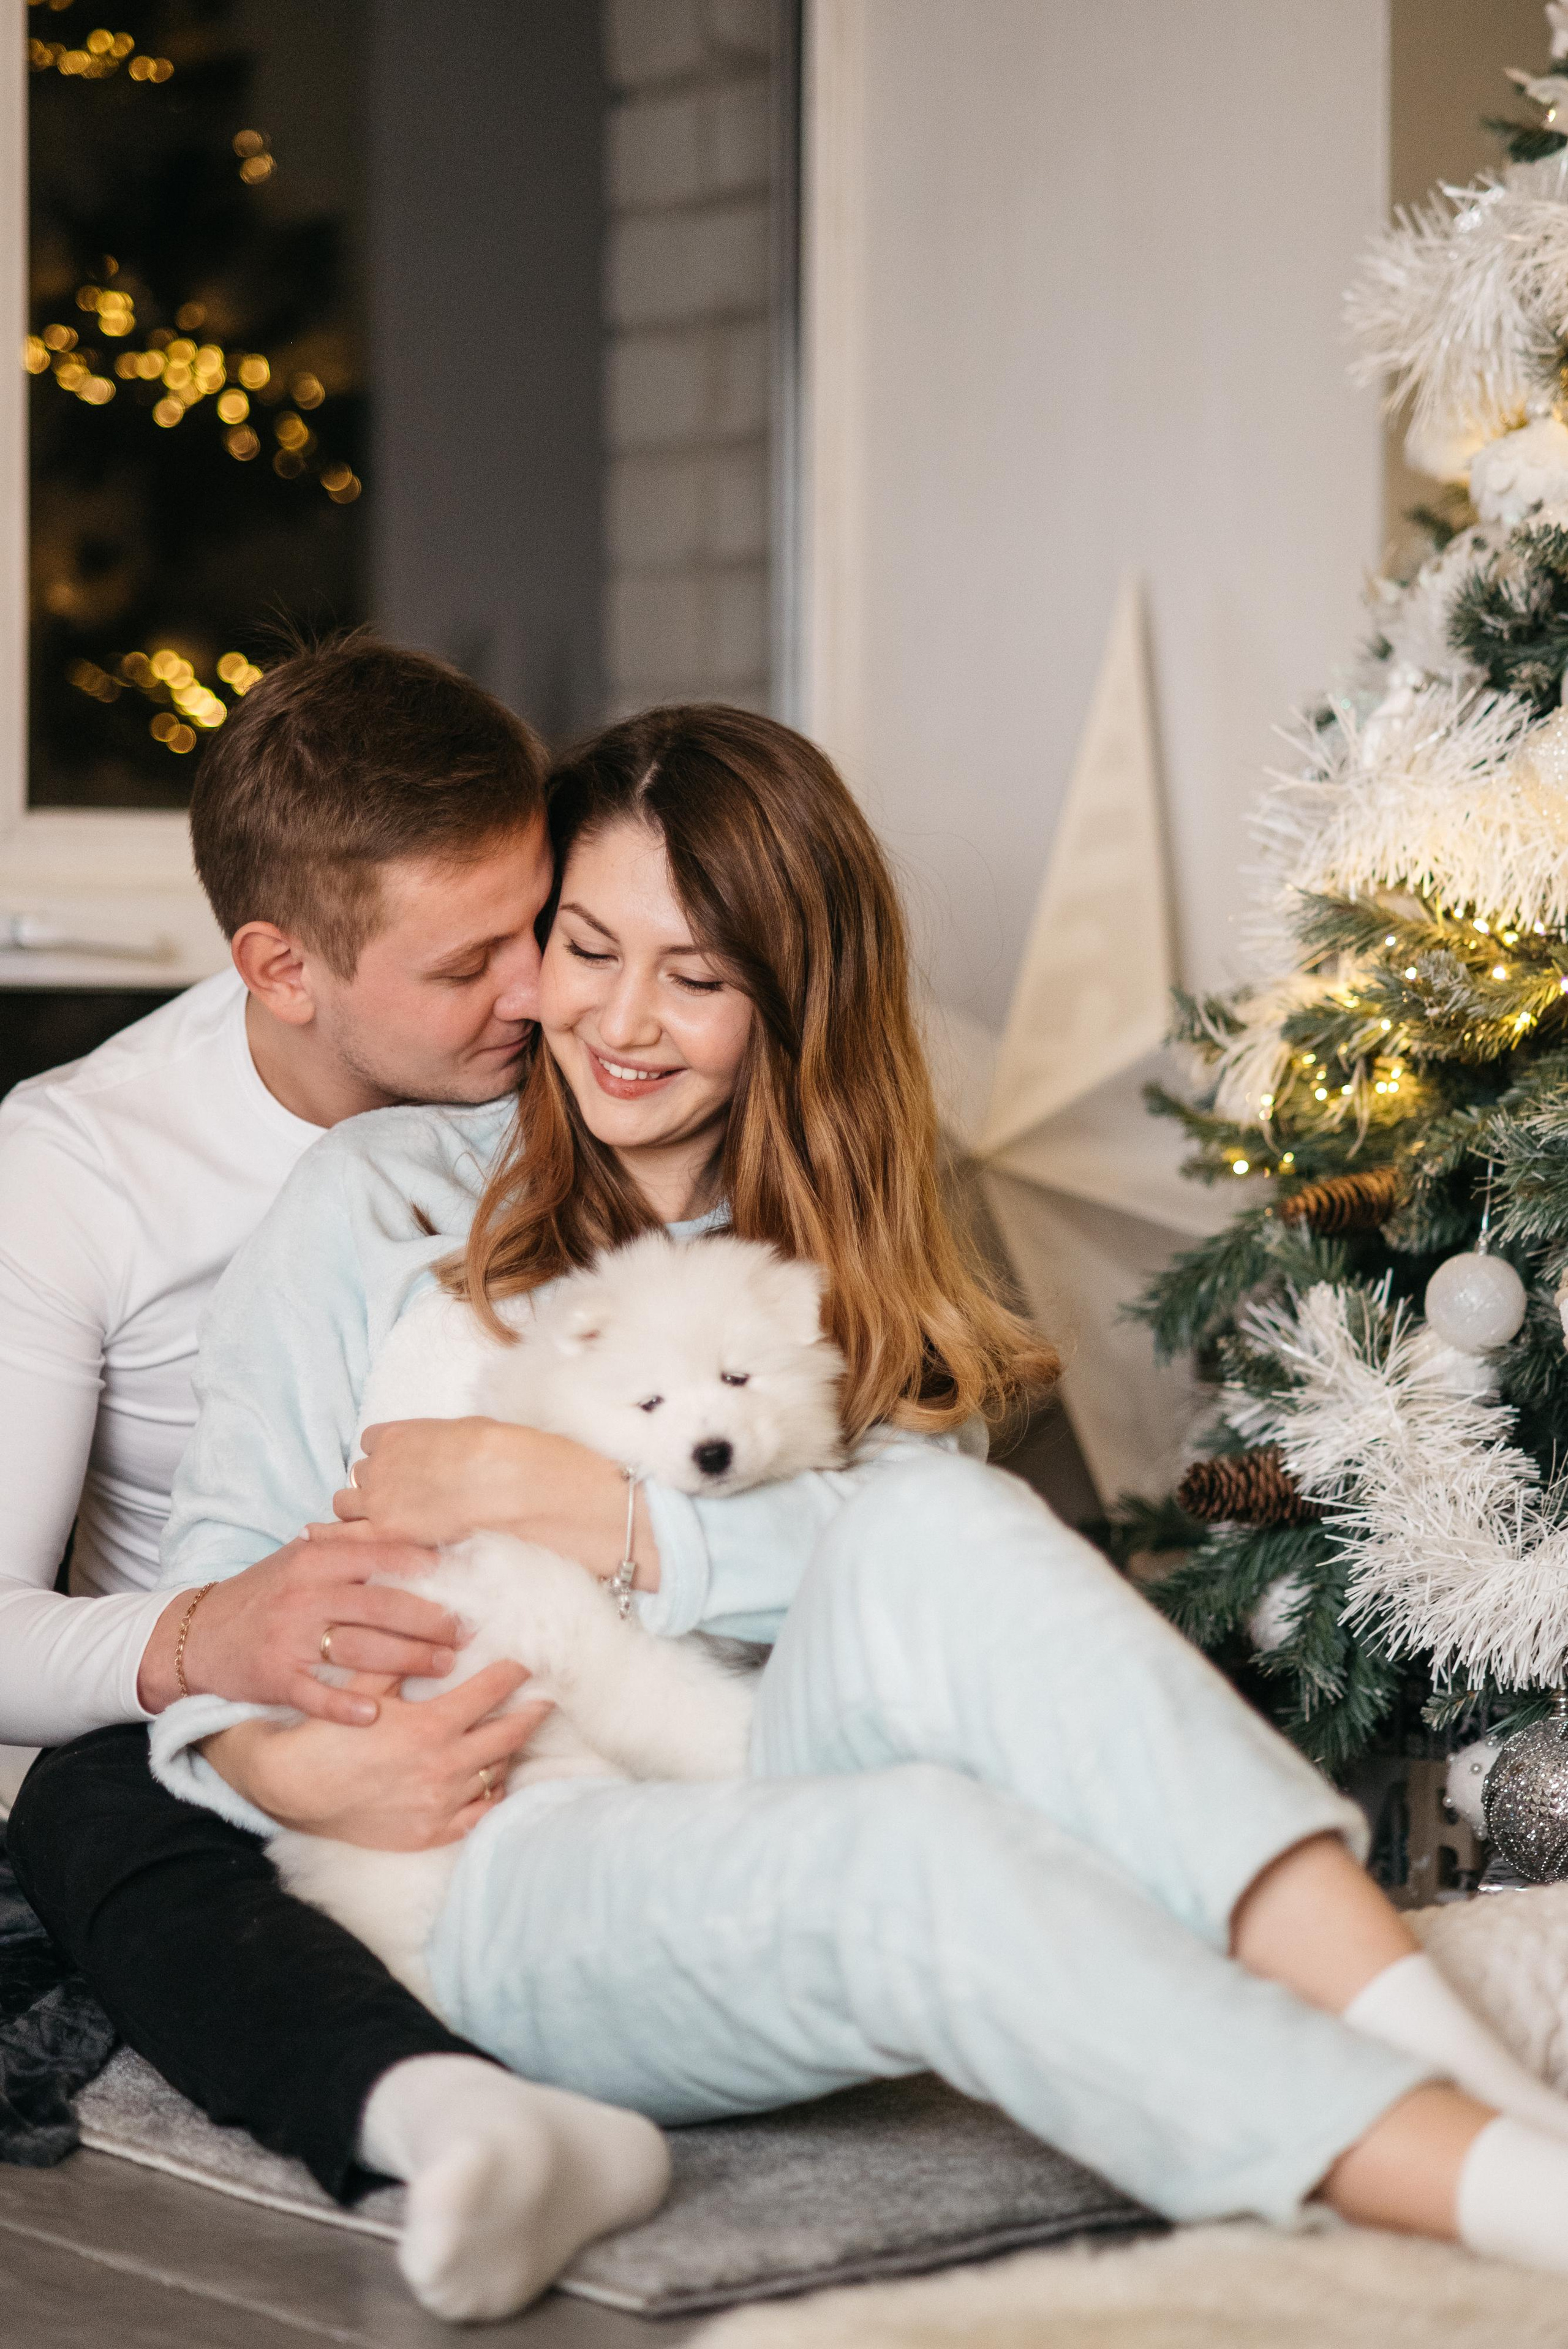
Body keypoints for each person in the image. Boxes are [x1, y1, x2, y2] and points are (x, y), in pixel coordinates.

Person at [21, 703, 1568, 2297]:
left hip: (768, 1769)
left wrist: (618, 1519)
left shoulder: (832, 1232)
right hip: (511, 1859)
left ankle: (1474, 2072)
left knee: (937, 1523)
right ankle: (1503, 2189)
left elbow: (922, 1592)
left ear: (784, 996)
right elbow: (223, 1602)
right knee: (923, 1847)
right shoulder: (372, 1196)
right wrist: (303, 1769)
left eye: (694, 977)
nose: (622, 1020)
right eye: (587, 946)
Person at [0, 636, 669, 2321]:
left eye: (545, 921)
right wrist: (213, 1657)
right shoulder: (76, 1172)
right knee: (86, 1803)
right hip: (226, 1749)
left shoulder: (587, 1077)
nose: (541, 991)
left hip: (589, 1670)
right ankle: (449, 2120)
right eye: (470, 963)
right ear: (283, 967)